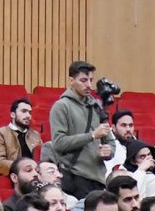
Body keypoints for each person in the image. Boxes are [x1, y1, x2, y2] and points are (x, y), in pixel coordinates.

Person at [46, 60, 110, 197]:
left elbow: (109, 139)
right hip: (75, 177)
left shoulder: (96, 106)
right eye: (83, 80)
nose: (89, 85)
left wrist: (109, 151)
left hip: (99, 178)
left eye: (91, 80)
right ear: (71, 80)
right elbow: (59, 143)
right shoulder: (61, 106)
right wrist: (92, 135)